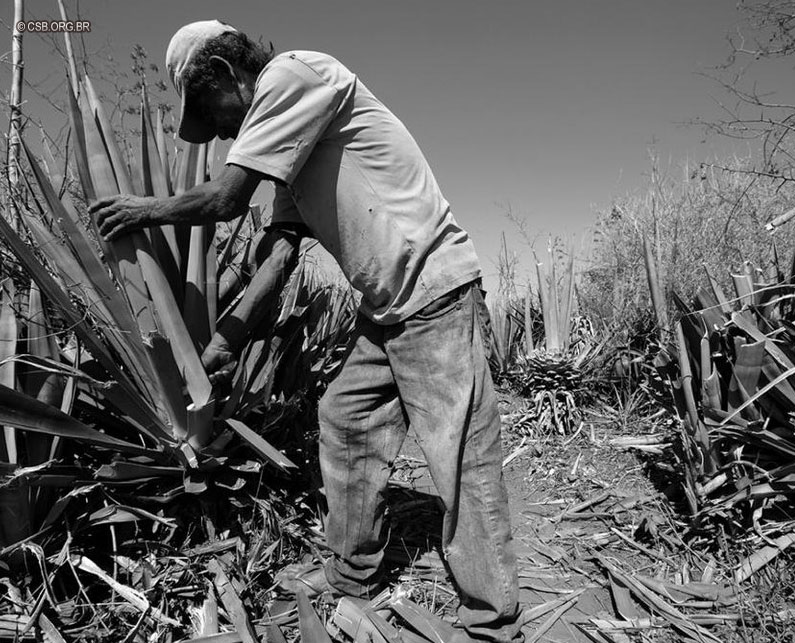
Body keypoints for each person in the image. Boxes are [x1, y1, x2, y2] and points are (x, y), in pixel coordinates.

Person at [92, 20, 522, 643]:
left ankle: (493, 623)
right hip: (386, 309)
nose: (218, 132)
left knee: (457, 455)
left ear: (221, 72)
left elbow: (225, 200)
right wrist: (222, 345)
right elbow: (276, 258)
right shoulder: (296, 151)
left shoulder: (297, 75)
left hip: (433, 289)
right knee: (347, 420)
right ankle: (353, 575)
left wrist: (144, 210)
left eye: (209, 113)